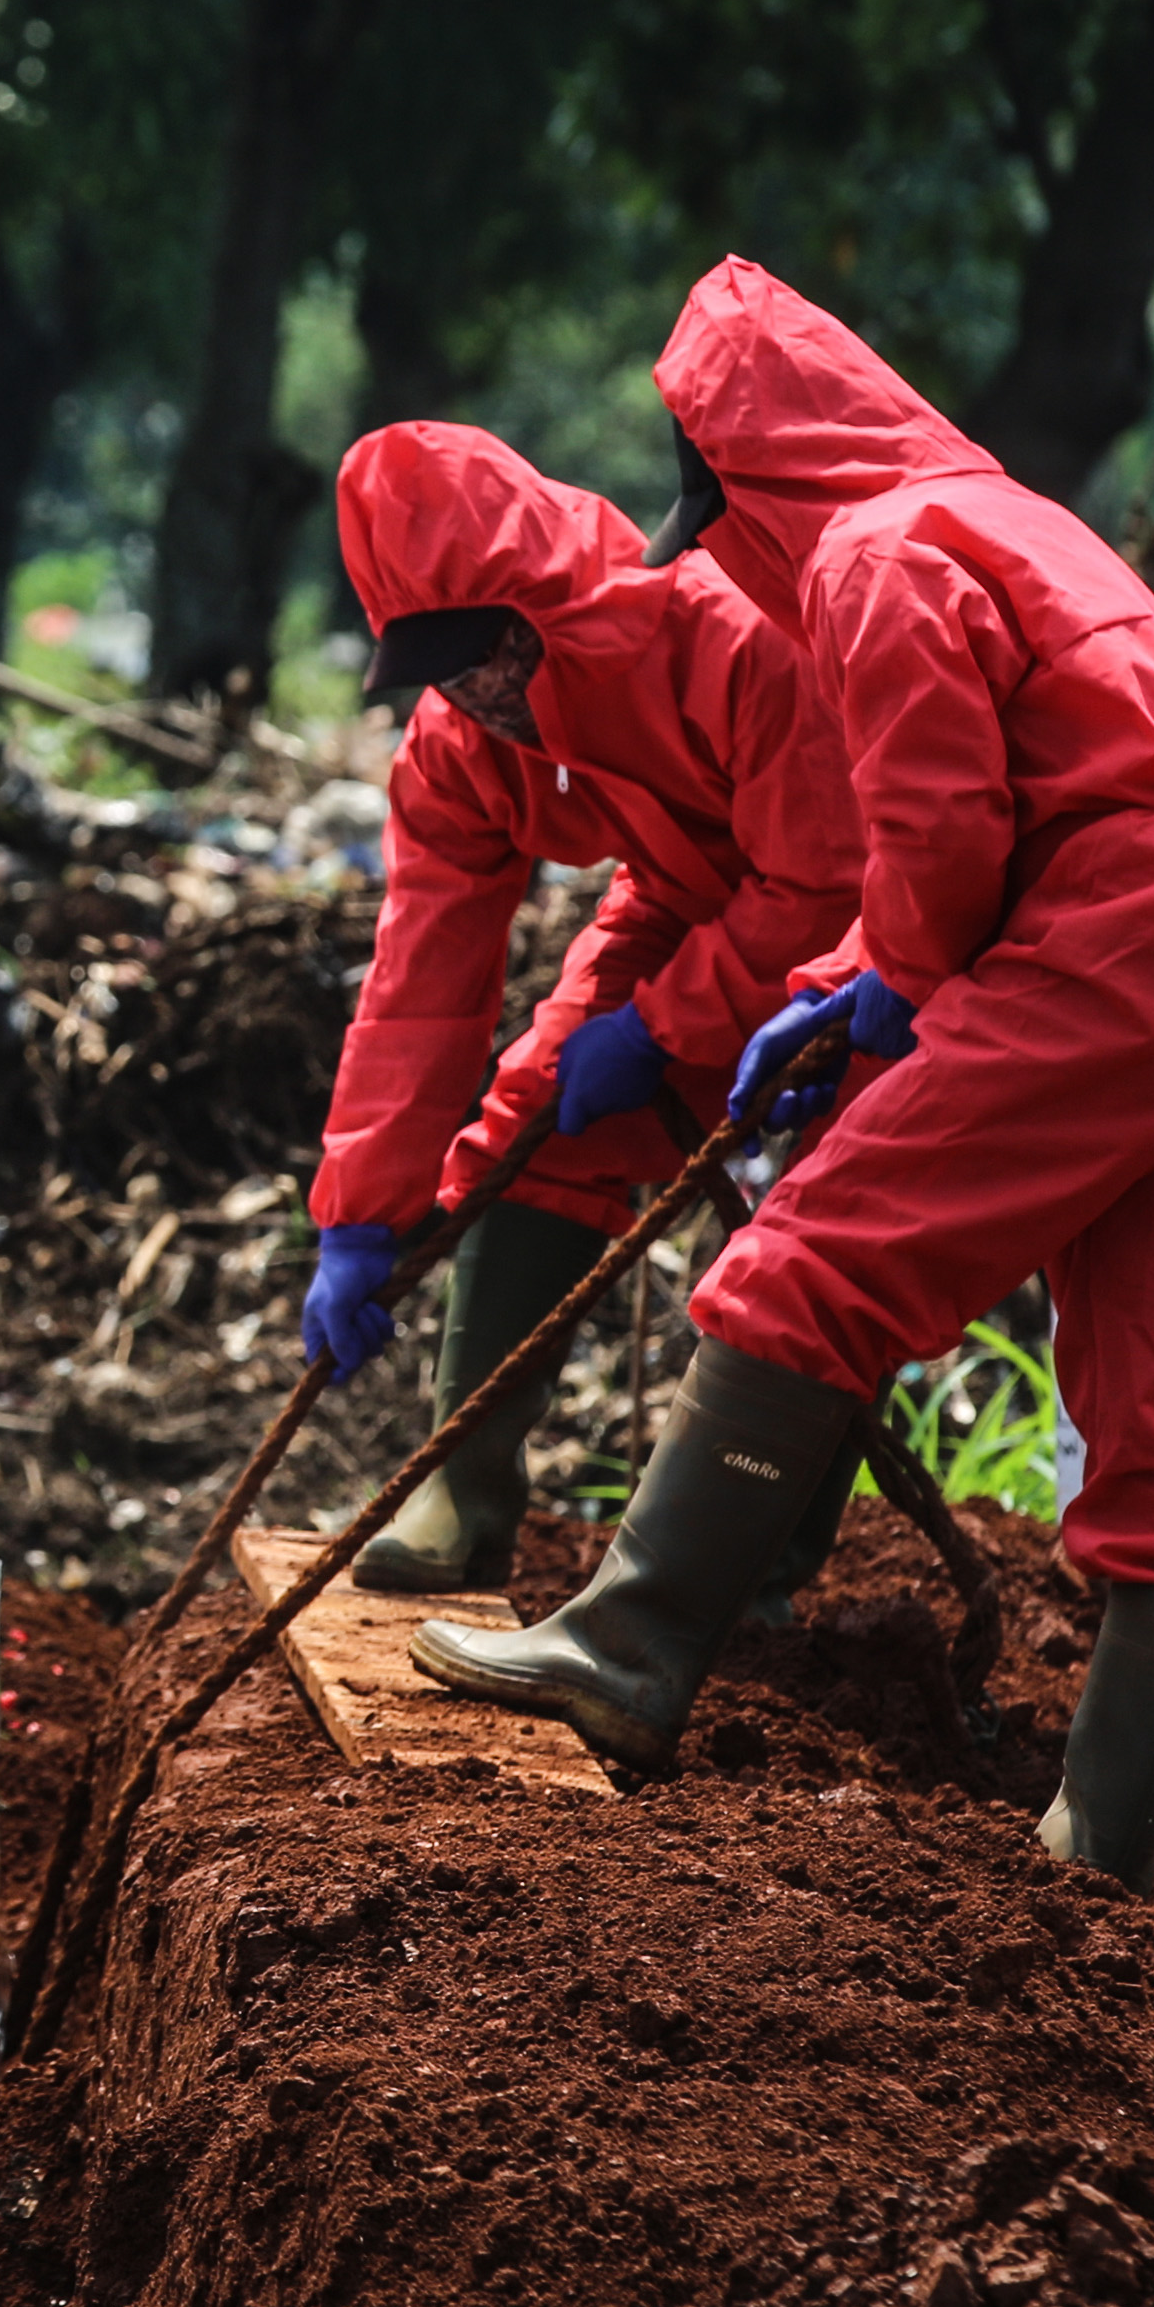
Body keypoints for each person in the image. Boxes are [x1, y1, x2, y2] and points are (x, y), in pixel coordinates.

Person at [406, 258, 1154, 1900]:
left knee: (809, 1265)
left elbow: (942, 827)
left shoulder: (875, 550)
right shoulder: (1005, 518)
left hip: (1117, 938)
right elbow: (1025, 785)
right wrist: (843, 980)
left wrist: (888, 980)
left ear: (744, 477)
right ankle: (1108, 1841)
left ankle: (629, 1647)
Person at [309, 421, 865, 1597]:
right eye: (441, 664)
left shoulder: (731, 637)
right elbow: (421, 976)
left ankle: (749, 1554)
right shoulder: (459, 743)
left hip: (876, 934)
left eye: (491, 652)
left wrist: (665, 1030)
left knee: (833, 1216)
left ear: (545, 602)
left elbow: (825, 882)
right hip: (683, 901)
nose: (476, 691)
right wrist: (362, 1211)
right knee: (534, 1114)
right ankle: (460, 1489)